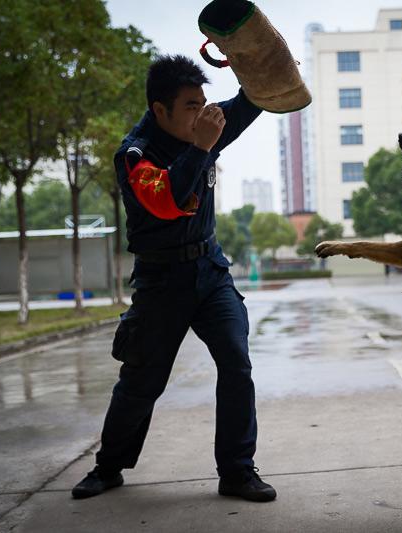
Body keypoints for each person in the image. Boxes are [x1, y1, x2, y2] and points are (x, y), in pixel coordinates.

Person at [71, 55, 275, 503]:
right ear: (160, 109)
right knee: (143, 380)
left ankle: (238, 471)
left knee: (237, 363)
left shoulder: (202, 126)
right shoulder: (134, 154)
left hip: (211, 272)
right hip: (161, 280)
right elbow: (167, 201)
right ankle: (108, 468)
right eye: (189, 105)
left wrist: (265, 67)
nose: (202, 112)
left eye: (203, 102)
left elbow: (252, 101)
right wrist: (202, 148)